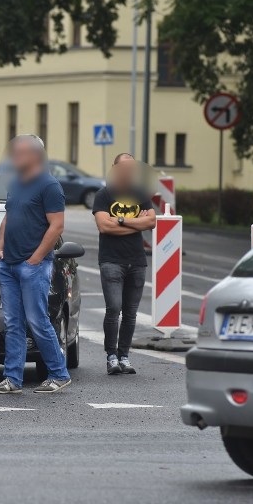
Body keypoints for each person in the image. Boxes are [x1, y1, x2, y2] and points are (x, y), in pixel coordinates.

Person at [0, 135, 71, 394]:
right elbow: (8, 215)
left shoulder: (49, 185)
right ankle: (12, 379)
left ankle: (59, 373)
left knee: (37, 322)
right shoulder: (17, 183)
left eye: (19, 153)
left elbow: (57, 225)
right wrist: (0, 244)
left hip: (32, 266)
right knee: (13, 323)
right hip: (9, 264)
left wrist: (36, 258)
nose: (13, 157)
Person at [92, 153, 156, 375]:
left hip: (137, 261)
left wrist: (120, 220)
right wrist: (137, 224)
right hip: (111, 260)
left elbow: (152, 221)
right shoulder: (104, 195)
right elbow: (104, 227)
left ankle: (124, 356)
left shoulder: (140, 193)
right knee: (114, 309)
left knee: (130, 313)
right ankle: (111, 356)